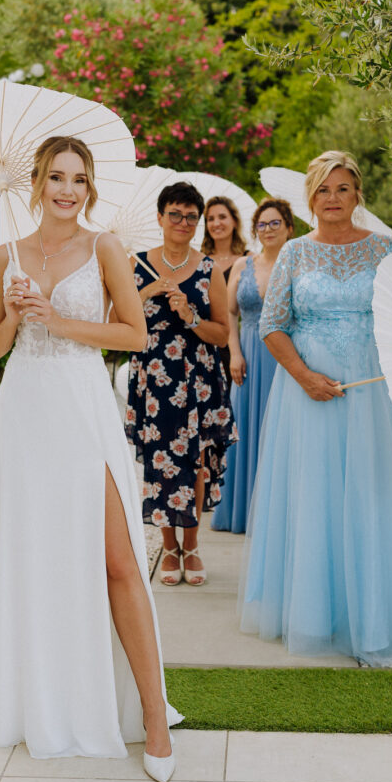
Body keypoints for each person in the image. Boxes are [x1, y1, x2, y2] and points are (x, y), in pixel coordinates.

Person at [0, 135, 181, 782]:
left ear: (88, 189)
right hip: (26, 415)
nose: (68, 190)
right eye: (57, 177)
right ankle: (47, 704)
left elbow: (134, 334)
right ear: (36, 182)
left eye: (79, 180)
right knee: (37, 560)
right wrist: (15, 311)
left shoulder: (104, 247)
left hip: (83, 407)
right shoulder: (7, 254)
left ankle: (152, 718)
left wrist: (58, 319)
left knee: (118, 562)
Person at [240, 151, 392, 666]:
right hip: (307, 392)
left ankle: (376, 615)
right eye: (322, 190)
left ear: (358, 194)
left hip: (372, 391)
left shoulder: (387, 250)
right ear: (309, 198)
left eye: (341, 189)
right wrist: (305, 377)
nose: (331, 199)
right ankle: (315, 615)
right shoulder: (292, 253)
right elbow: (272, 325)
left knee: (370, 493)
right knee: (314, 496)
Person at [125, 181, 237, 587]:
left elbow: (222, 334)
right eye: (175, 214)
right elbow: (116, 321)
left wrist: (190, 315)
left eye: (192, 216)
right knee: (161, 463)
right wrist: (148, 292)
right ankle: (168, 547)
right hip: (154, 379)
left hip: (199, 380)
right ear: (160, 217)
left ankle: (192, 545)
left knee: (196, 464)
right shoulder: (135, 265)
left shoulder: (209, 270)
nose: (183, 222)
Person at [212, 198, 295, 534]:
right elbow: (230, 312)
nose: (268, 229)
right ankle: (243, 512)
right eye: (262, 224)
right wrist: (234, 352)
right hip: (247, 358)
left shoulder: (298, 263)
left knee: (283, 433)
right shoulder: (245, 265)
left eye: (275, 223)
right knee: (245, 433)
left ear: (289, 227)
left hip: (286, 360)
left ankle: (280, 517)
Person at [201, 195, 248, 381]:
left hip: (240, 348)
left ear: (234, 221)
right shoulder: (199, 262)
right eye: (210, 219)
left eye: (222, 217)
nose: (216, 223)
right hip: (206, 345)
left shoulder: (249, 260)